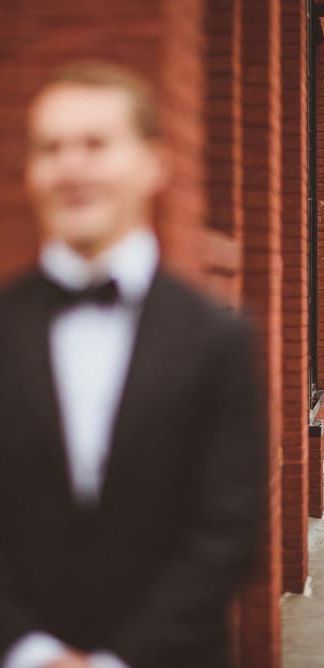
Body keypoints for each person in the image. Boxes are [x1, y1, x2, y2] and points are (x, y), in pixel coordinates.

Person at [0, 62, 265, 668]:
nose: (72, 166)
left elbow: (229, 531)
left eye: (95, 144)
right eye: (51, 148)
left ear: (153, 162)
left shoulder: (217, 339)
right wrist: (29, 650)